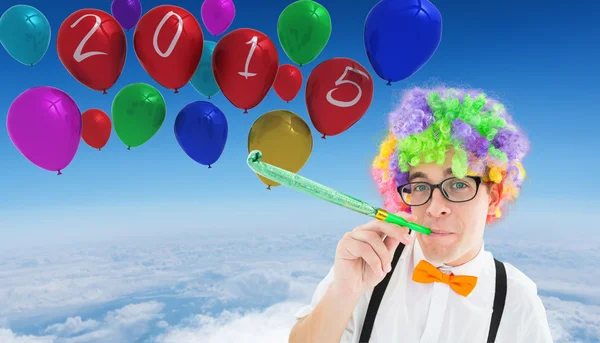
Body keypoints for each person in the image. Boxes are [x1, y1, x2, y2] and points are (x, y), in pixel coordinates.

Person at [288, 86, 553, 343]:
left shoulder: (518, 300)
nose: (435, 207)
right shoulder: (369, 262)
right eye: (420, 187)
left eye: (459, 184)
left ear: (492, 197)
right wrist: (344, 292)